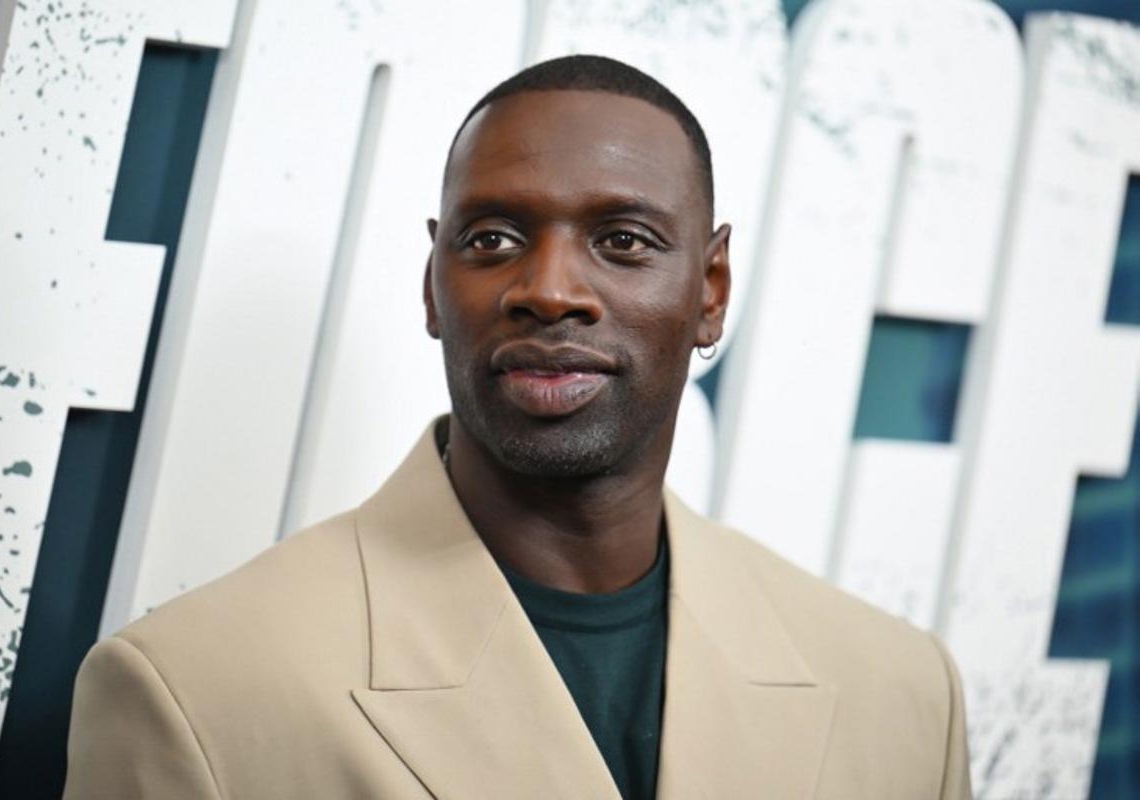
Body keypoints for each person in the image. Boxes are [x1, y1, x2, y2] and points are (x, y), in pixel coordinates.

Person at [64, 55, 972, 799]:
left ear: (711, 290)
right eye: (493, 239)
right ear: (433, 285)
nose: (549, 290)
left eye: (623, 240)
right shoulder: (192, 690)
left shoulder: (904, 696)